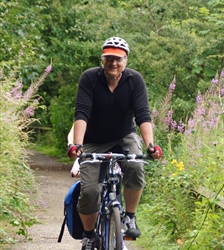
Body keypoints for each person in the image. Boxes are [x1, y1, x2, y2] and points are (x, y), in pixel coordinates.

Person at [67, 37, 162, 250]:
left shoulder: (134, 80)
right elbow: (81, 113)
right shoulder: (90, 78)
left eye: (118, 59)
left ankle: (130, 217)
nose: (113, 63)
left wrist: (150, 146)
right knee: (90, 191)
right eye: (109, 58)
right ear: (103, 59)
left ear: (126, 60)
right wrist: (78, 145)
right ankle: (90, 235)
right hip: (93, 140)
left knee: (136, 166)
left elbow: (143, 115)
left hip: (123, 136)